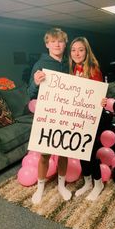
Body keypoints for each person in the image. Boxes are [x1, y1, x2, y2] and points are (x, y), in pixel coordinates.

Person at [28, 27, 72, 204]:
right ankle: (40, 188)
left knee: (64, 153)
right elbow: (30, 92)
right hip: (48, 115)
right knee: (45, 154)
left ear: (65, 43)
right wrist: (36, 84)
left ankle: (61, 185)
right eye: (53, 41)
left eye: (60, 41)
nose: (57, 44)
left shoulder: (69, 64)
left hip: (68, 114)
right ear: (47, 44)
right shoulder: (39, 65)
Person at [69, 37, 106, 201]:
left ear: (87, 51)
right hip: (76, 116)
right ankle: (88, 182)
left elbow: (99, 94)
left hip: (91, 117)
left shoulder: (93, 69)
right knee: (80, 150)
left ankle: (99, 184)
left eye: (81, 49)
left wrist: (102, 100)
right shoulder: (72, 69)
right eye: (73, 50)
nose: (77, 53)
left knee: (90, 152)